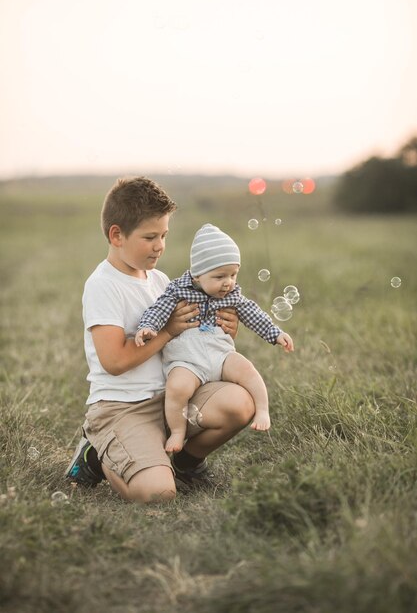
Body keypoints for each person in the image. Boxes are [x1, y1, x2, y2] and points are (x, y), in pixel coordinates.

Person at [65, 176, 255, 503]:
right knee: (160, 493)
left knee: (240, 404)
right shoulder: (104, 285)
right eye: (150, 237)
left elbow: (188, 338)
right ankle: (97, 454)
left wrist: (220, 329)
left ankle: (182, 464)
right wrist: (169, 331)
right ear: (117, 235)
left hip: (170, 400)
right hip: (124, 408)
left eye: (164, 235)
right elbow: (115, 362)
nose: (160, 246)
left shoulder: (160, 280)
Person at [135, 223, 294, 454]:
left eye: (233, 274)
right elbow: (158, 310)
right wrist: (148, 327)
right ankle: (178, 432)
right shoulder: (177, 291)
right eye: (219, 276)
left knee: (247, 369)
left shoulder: (232, 295)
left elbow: (253, 314)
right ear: (197, 275)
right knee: (177, 388)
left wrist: (275, 333)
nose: (228, 282)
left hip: (220, 355)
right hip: (187, 360)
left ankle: (262, 410)